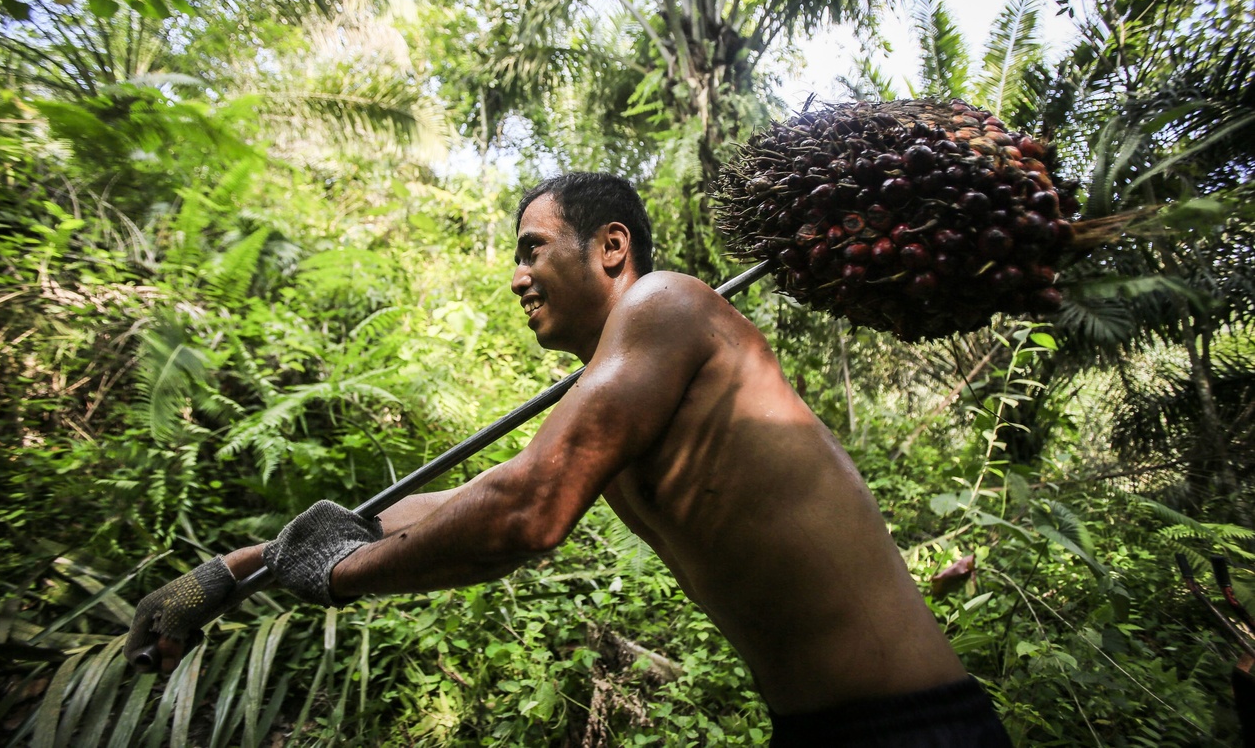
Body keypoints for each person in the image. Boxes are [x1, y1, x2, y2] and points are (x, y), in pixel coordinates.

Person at [125, 172, 1011, 746]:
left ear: (612, 246)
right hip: (816, 730)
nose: (515, 277)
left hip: (915, 728)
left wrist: (341, 577)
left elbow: (523, 512)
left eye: (531, 248)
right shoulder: (609, 390)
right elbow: (461, 499)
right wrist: (237, 568)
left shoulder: (669, 306)